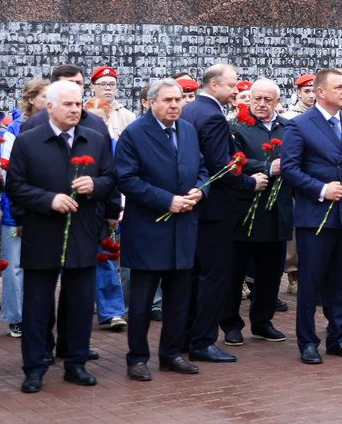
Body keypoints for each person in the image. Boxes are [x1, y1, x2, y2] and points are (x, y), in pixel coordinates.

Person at [3, 80, 116, 394]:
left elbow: (110, 177)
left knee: (80, 301)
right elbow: (15, 186)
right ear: (49, 106)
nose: (74, 110)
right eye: (67, 104)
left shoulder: (95, 139)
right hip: (43, 229)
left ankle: (76, 362)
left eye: (78, 104)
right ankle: (34, 367)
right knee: (38, 303)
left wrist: (95, 186)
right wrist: (48, 200)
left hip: (82, 229)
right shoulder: (28, 141)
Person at [115, 79, 207, 380]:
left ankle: (171, 353)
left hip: (184, 228)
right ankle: (137, 358)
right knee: (142, 301)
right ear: (150, 102)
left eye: (179, 100)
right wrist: (166, 200)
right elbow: (127, 179)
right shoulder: (135, 133)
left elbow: (202, 167)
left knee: (178, 298)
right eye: (168, 100)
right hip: (149, 229)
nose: (175, 105)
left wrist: (200, 191)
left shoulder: (188, 130)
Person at [280, 69, 342, 364]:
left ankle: (338, 337)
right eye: (340, 87)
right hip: (315, 217)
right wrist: (320, 189)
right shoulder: (300, 125)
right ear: (320, 92)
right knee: (312, 282)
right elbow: (290, 169)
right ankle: (308, 341)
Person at [180, 64, 265, 365]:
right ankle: (203, 341)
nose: (236, 91)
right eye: (232, 85)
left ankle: (186, 335)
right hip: (215, 210)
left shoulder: (190, 111)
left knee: (193, 275)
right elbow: (221, 166)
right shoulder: (214, 116)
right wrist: (250, 183)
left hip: (194, 208)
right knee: (214, 277)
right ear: (214, 85)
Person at [223, 79, 291, 346]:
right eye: (257, 99)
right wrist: (265, 166)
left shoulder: (288, 127)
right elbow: (231, 159)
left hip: (277, 209)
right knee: (234, 270)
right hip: (243, 208)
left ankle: (263, 321)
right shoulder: (236, 127)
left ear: (277, 101)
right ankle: (230, 323)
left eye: (268, 100)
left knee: (270, 272)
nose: (261, 104)